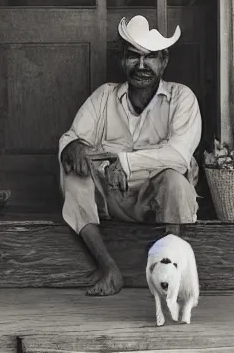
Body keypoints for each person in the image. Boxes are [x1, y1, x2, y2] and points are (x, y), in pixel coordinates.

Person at [58, 15, 202, 296]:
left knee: (174, 179)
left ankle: (170, 270)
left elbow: (179, 155)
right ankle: (109, 268)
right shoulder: (104, 97)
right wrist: (74, 147)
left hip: (155, 204)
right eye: (133, 57)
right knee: (73, 169)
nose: (141, 65)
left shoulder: (182, 98)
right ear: (122, 60)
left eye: (150, 58)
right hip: (110, 200)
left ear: (164, 61)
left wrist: (123, 162)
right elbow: (71, 137)